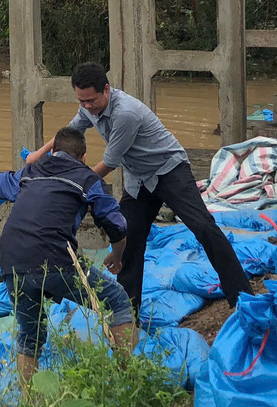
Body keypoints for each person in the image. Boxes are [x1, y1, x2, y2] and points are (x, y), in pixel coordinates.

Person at [32, 63, 251, 315]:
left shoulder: (126, 113)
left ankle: (242, 297)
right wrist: (38, 154)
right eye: (81, 102)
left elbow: (109, 163)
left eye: (90, 100)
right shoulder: (88, 107)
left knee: (204, 227)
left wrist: (70, 185)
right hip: (139, 179)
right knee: (128, 239)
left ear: (106, 89)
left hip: (169, 171)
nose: (87, 107)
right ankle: (127, 314)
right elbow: (70, 132)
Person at [0, 126, 132, 383]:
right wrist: (117, 256)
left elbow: (2, 183)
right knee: (117, 299)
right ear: (84, 158)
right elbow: (116, 225)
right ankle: (128, 378)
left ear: (52, 152)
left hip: (11, 262)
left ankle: (28, 401)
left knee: (30, 335)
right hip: (55, 259)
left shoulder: (31, 171)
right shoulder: (88, 178)